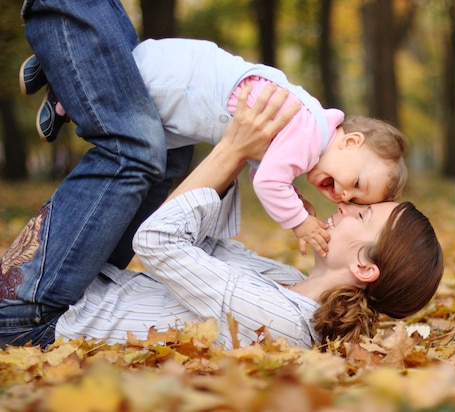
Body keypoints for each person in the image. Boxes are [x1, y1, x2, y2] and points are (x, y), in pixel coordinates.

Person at [53, 89, 444, 351]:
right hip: (85, 286)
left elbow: (157, 242)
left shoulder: (279, 319)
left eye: (361, 213)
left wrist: (235, 149)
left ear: (364, 265)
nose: (342, 204)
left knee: (135, 151)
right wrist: (264, 156)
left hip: (51, 315)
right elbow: (205, 246)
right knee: (157, 137)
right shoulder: (292, 283)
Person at [20, 38, 410, 257]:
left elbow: (263, 164)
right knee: (122, 91)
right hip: (186, 83)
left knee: (123, 109)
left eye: (354, 201)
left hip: (187, 97)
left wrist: (292, 195)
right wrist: (300, 222)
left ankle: (61, 91)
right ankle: (60, 60)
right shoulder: (310, 134)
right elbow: (269, 182)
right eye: (356, 182)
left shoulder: (310, 129)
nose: (344, 195)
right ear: (351, 141)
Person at [1, 0, 194, 349]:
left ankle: (68, 62)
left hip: (62, 307)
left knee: (167, 151)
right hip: (35, 314)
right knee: (135, 149)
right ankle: (67, 56)